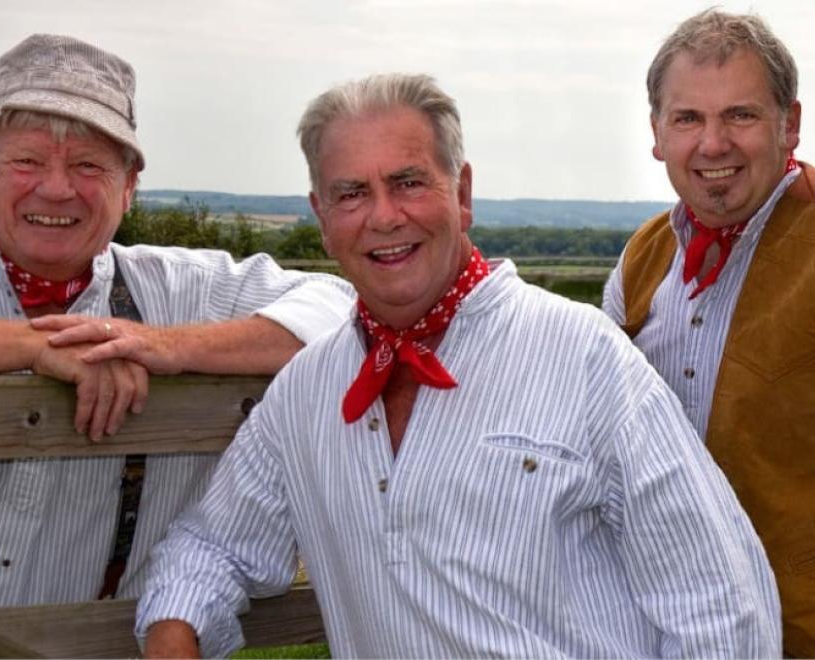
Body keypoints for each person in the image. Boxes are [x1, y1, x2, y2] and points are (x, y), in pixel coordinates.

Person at [137, 73, 780, 658]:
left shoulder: (583, 357)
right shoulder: (306, 393)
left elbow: (723, 609)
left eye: (409, 182)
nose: (385, 216)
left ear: (462, 193)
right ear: (322, 218)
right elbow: (209, 547)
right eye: (352, 193)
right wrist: (174, 633)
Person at [0, 34, 353, 606]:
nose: (56, 188)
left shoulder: (178, 291)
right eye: (26, 160)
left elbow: (340, 307)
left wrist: (167, 344)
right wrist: (28, 346)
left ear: (128, 189)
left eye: (88, 165)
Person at [602, 9, 814, 656]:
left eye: (740, 116)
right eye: (688, 118)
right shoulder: (644, 257)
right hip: (667, 629)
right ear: (657, 134)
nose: (712, 144)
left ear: (791, 125)